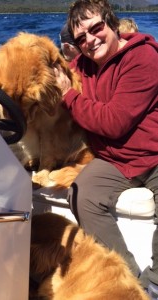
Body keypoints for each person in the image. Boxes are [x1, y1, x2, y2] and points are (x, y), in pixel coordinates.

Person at [54, 0, 158, 298]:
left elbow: (114, 123)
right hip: (114, 158)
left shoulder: (144, 58)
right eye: (80, 38)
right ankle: (128, 279)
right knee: (81, 194)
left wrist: (69, 96)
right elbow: (55, 71)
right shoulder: (83, 65)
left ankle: (156, 281)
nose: (90, 40)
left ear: (111, 24)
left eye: (96, 28)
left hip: (153, 155)